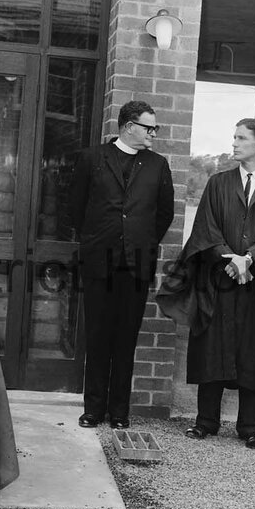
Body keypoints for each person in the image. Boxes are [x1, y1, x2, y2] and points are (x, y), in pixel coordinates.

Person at [157, 118, 255, 450]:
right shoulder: (218, 183)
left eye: (241, 138)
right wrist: (230, 258)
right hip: (218, 282)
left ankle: (250, 427)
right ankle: (205, 421)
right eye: (234, 137)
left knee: (254, 351)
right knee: (213, 346)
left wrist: (249, 258)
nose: (234, 143)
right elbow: (206, 229)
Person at [69, 100, 174, 429]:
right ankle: (93, 409)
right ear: (129, 126)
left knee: (126, 339)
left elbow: (164, 214)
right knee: (98, 336)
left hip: (136, 265)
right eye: (149, 128)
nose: (153, 134)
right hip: (99, 262)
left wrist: (139, 242)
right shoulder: (91, 158)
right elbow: (75, 208)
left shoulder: (158, 165)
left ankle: (119, 413)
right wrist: (99, 238)